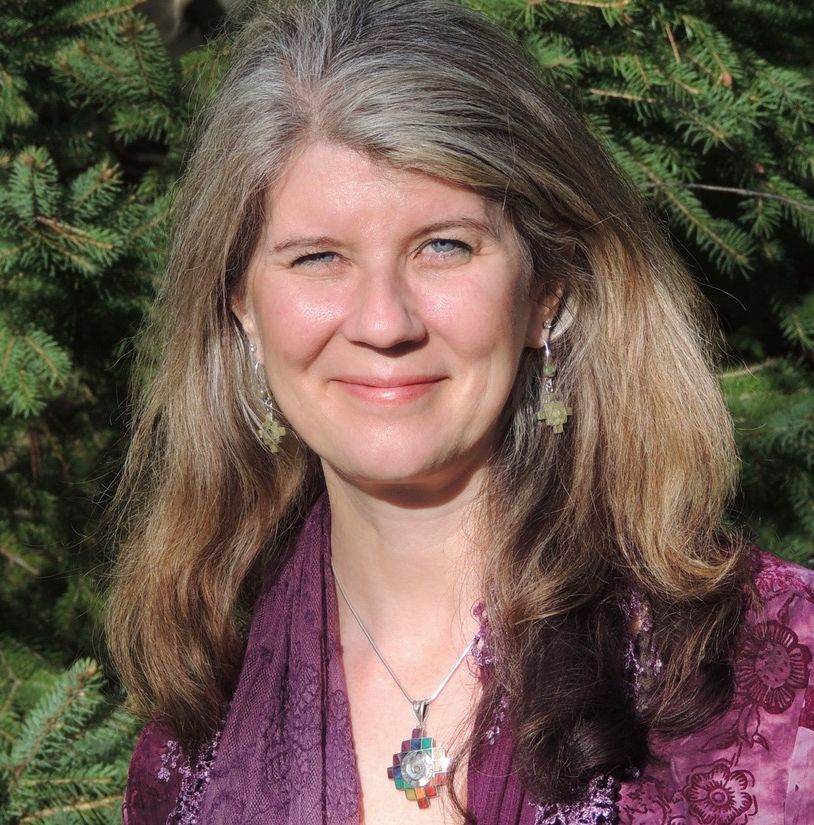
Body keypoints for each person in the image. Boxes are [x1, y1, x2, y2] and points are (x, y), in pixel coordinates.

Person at [107, 0, 814, 822]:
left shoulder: (770, 664)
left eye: (444, 246)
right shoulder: (191, 741)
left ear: (547, 289)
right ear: (244, 309)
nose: (383, 322)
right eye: (318, 257)